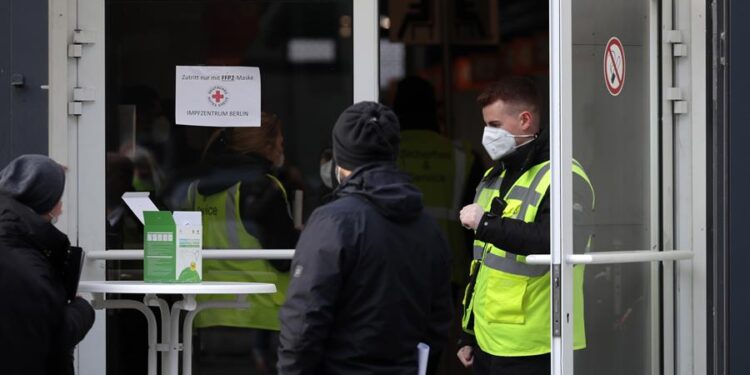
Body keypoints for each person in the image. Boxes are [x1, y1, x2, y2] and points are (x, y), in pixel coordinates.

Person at [277, 101, 454, 374]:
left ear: (340, 158)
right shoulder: (427, 226)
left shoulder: (332, 222)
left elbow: (304, 321)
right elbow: (439, 320)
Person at [456, 77, 594, 375]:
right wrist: (468, 332)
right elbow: (483, 265)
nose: (487, 135)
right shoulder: (494, 176)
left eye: (494, 125)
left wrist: (486, 223)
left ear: (524, 120)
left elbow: (556, 241)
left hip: (537, 346)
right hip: (487, 343)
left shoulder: (562, 175)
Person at [186, 112, 299, 372]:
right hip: (258, 317)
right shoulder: (263, 187)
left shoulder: (196, 189)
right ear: (266, 145)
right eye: (281, 143)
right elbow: (282, 258)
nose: (283, 149)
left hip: (206, 314)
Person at [0, 154, 96, 375]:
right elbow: (53, 335)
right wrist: (82, 310)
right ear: (47, 203)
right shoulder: (28, 266)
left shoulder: (21, 246)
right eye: (59, 199)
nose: (61, 207)